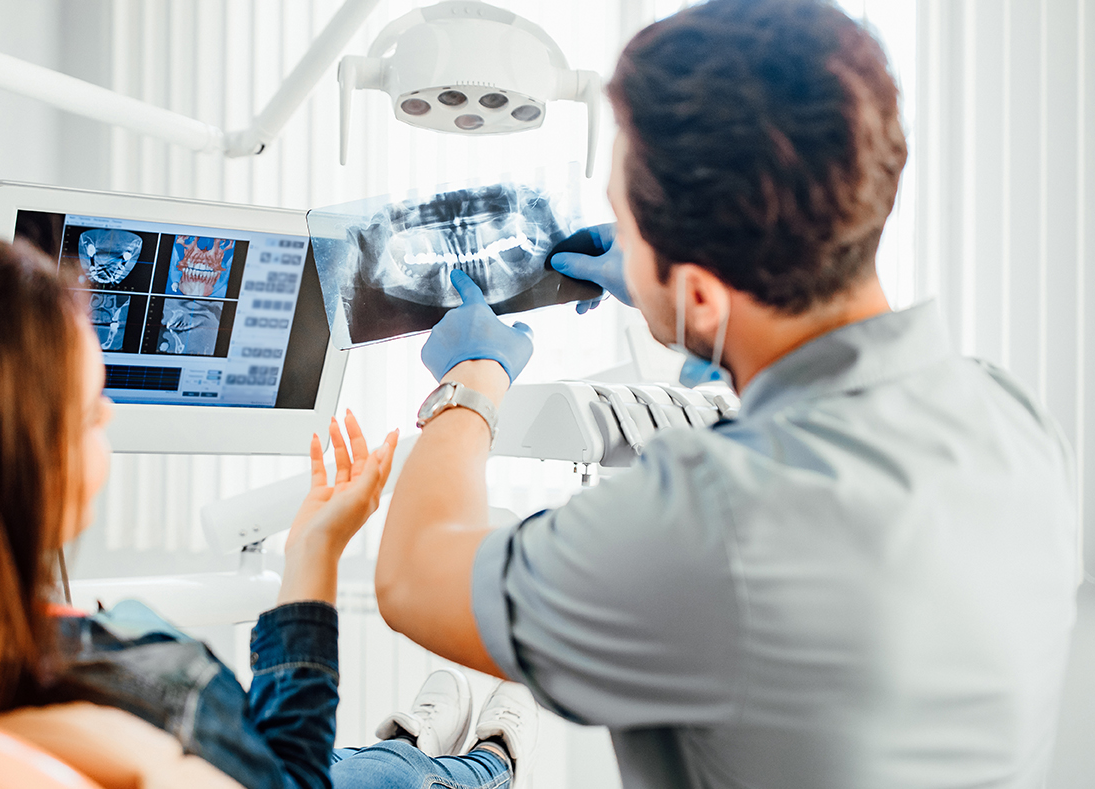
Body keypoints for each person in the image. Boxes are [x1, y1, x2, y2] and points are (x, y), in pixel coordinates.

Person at [374, 1, 1082, 788]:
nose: (617, 237)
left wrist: (471, 385)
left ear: (704, 294)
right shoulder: (1014, 419)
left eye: (623, 220)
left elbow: (413, 577)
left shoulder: (711, 520)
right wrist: (697, 327)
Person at [0, 233, 538, 789]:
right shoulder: (127, 702)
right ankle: (484, 761)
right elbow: (288, 773)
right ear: (8, 465)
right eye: (89, 410)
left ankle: (414, 741)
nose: (110, 417)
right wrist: (317, 553)